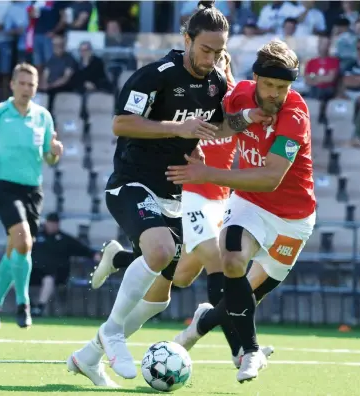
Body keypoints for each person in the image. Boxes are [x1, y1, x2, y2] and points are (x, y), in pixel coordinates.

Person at [66, 4, 230, 385]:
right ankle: (112, 332)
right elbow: (120, 123)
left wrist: (222, 134)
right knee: (159, 252)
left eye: (219, 51)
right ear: (187, 39)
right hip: (132, 183)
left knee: (161, 296)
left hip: (176, 195)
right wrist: (178, 128)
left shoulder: (216, 82)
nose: (212, 58)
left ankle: (88, 357)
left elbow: (213, 129)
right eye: (206, 49)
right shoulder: (155, 76)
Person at [88, 51, 273, 375]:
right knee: (216, 261)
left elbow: (231, 126)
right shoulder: (197, 92)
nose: (215, 62)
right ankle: (241, 349)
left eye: (222, 58)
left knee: (171, 285)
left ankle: (90, 352)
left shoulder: (230, 97)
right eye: (212, 55)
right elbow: (132, 122)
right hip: (193, 192)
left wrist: (252, 115)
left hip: (217, 196)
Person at [167, 39, 316, 383]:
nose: (276, 94)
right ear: (256, 79)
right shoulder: (241, 95)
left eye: (283, 87)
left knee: (244, 296)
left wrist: (208, 174)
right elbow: (222, 128)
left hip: (292, 220)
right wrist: (242, 118)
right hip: (249, 202)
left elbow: (270, 177)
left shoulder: (295, 115)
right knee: (231, 259)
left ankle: (201, 323)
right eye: (270, 85)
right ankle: (250, 353)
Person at [0, 63, 64, 329]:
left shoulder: (43, 116)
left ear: (36, 87)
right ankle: (24, 305)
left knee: (16, 250)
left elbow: (48, 157)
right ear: (12, 84)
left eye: (31, 84)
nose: (26, 89)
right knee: (23, 242)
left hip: (33, 191)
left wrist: (55, 151)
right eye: (21, 83)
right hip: (5, 186)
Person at [30, 212, 100, 317]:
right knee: (15, 279)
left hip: (56, 274)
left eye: (55, 223)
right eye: (51, 223)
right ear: (46, 223)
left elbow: (83, 249)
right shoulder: (35, 237)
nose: (52, 225)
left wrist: (95, 255)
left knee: (48, 280)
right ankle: (29, 306)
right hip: (34, 271)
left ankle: (39, 308)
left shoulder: (65, 239)